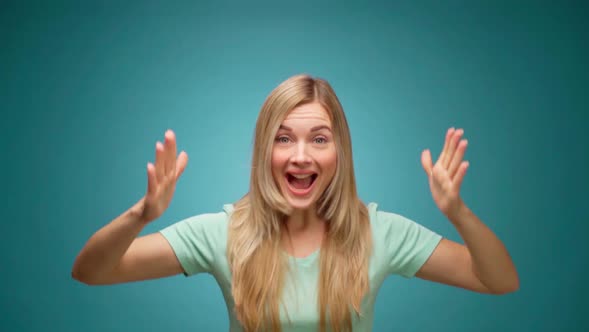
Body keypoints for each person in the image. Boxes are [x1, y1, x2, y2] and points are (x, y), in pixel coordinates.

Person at [72, 74, 519, 332]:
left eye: (319, 139)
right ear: (265, 150)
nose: (301, 155)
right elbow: (92, 271)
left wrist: (457, 213)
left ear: (339, 152)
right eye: (284, 138)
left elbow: (498, 280)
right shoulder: (223, 233)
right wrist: (141, 215)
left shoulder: (380, 233)